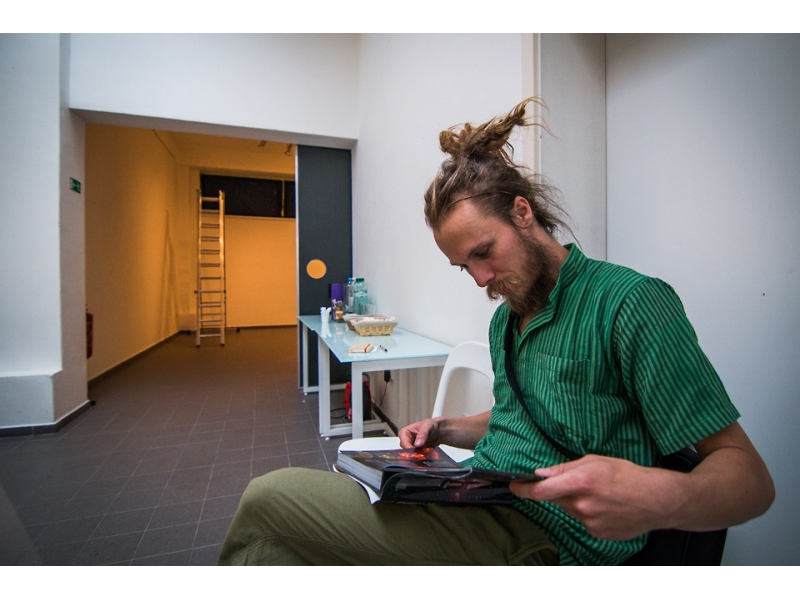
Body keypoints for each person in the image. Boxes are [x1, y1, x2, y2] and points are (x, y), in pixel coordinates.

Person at [218, 99, 774, 566]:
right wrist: (444, 428)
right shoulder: (505, 320)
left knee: (269, 503)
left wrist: (665, 498)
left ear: (522, 212)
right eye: (465, 266)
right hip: (477, 497)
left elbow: (750, 480)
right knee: (288, 552)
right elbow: (517, 415)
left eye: (484, 252)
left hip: (545, 538)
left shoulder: (629, 304)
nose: (481, 278)